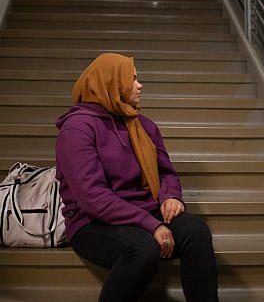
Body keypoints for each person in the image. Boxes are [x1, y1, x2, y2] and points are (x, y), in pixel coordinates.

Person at [55, 53, 219, 302]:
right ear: (111, 84)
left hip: (145, 210)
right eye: (132, 80)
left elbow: (166, 172)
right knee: (143, 248)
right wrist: (151, 225)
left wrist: (171, 196)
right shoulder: (77, 129)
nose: (140, 85)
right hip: (92, 222)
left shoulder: (145, 126)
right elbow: (92, 197)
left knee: (196, 231)